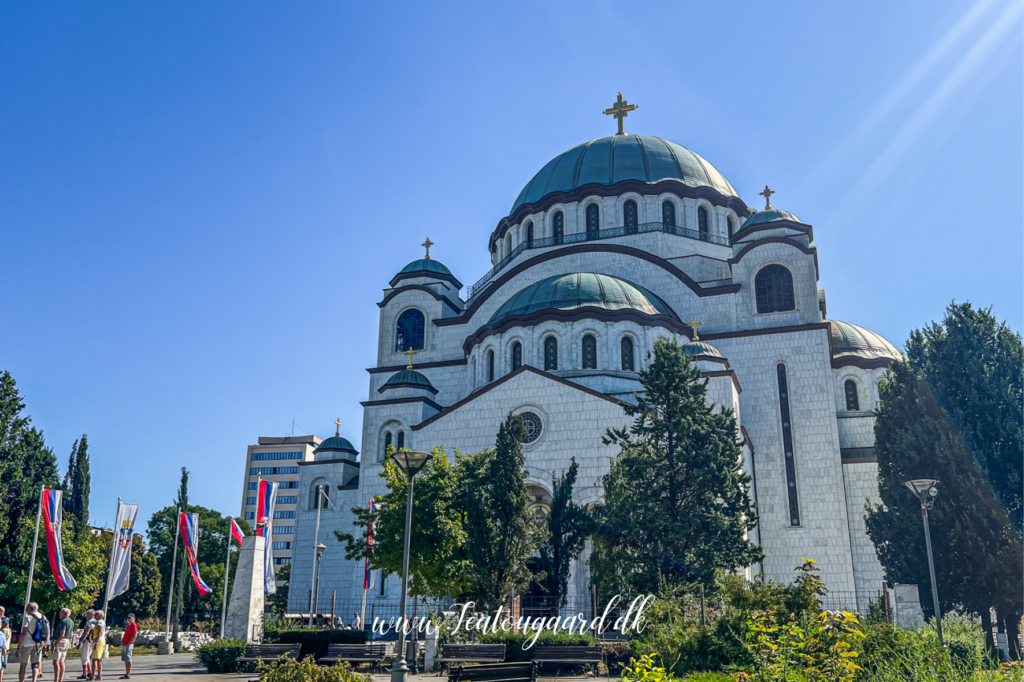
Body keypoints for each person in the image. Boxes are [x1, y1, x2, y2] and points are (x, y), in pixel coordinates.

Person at [14, 602, 45, 682]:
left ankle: (21, 681)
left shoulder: (28, 618)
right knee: (35, 664)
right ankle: (34, 680)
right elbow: (47, 631)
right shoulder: (43, 617)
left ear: (31, 608)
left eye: (27, 607)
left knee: (23, 665)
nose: (25, 609)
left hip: (27, 643)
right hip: (38, 643)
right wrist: (45, 643)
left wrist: (18, 647)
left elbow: (24, 633)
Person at [51, 609, 74, 682]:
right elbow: (71, 635)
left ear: (64, 614)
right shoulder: (71, 622)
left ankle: (56, 679)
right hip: (67, 641)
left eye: (60, 613)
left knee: (56, 661)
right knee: (62, 661)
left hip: (61, 641)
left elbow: (62, 634)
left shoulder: (63, 622)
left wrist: (55, 644)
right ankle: (60, 679)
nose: (59, 614)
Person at [76, 610, 95, 681]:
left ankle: (85, 673)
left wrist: (81, 641)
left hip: (87, 640)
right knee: (87, 656)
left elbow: (86, 632)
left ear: (91, 615)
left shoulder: (89, 622)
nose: (86, 616)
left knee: (84, 657)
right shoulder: (95, 621)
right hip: (92, 640)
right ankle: (89, 672)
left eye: (87, 614)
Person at [117, 615, 137, 680]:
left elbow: (134, 635)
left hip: (129, 644)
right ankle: (126, 673)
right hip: (125, 643)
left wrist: (129, 643)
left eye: (130, 618)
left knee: (128, 658)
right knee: (125, 659)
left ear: (133, 618)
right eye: (127, 618)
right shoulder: (128, 625)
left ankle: (128, 673)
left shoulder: (134, 625)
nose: (128, 619)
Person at [89, 612, 106, 682]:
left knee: (94, 659)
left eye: (96, 614)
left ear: (100, 615)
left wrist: (97, 642)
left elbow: (100, 632)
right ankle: (99, 675)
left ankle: (93, 676)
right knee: (99, 659)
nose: (95, 615)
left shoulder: (100, 622)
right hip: (100, 640)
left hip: (98, 641)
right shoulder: (98, 622)